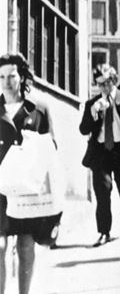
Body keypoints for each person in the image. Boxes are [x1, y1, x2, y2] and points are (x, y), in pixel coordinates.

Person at [0, 53, 59, 294]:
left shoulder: (39, 109)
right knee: (0, 246)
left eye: (11, 76)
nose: (6, 81)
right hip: (0, 188)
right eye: (1, 76)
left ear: (21, 76)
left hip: (27, 189)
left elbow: (51, 150)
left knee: (25, 245)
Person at [79, 65, 120, 246]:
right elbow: (84, 129)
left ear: (114, 81)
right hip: (101, 152)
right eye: (100, 85)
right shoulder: (93, 104)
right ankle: (104, 231)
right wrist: (93, 114)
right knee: (102, 192)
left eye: (107, 83)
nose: (104, 88)